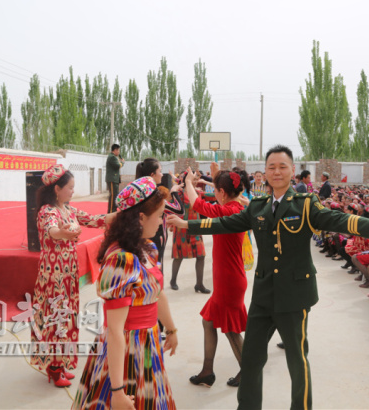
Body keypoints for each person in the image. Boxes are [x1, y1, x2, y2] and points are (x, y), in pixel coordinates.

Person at [167, 145, 369, 409]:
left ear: (292, 171)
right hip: (263, 295)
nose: (277, 171)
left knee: (297, 360)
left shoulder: (306, 204)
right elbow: (226, 223)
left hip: (294, 296)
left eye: (282, 166)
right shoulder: (258, 206)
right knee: (251, 358)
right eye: (271, 167)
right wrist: (188, 225)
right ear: (264, 172)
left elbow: (335, 219)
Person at [73, 177, 178, 409]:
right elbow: (115, 330)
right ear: (141, 217)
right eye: (160, 215)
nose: (162, 222)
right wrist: (118, 391)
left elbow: (157, 293)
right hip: (128, 350)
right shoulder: (122, 260)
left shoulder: (147, 248)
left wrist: (170, 328)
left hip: (148, 343)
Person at [31, 164, 110, 387]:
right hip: (53, 275)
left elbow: (93, 220)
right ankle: (55, 369)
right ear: (57, 189)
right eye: (70, 187)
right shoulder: (48, 211)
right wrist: (61, 233)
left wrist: (119, 216)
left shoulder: (68, 209)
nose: (73, 191)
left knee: (66, 316)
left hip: (68, 273)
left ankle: (60, 363)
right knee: (56, 317)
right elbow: (52, 230)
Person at [170, 167, 248, 388]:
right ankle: (207, 370)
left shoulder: (229, 211)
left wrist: (187, 182)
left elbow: (198, 205)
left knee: (231, 330)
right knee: (209, 321)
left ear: (222, 192)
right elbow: (209, 200)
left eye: (217, 190)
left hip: (229, 280)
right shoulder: (234, 205)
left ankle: (248, 372)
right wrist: (206, 182)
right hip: (228, 278)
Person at [135, 158, 184, 265]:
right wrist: (174, 192)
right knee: (156, 267)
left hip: (141, 235)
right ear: (152, 175)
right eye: (160, 171)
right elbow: (180, 210)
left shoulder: (137, 193)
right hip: (156, 236)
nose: (162, 174)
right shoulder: (155, 196)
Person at [169, 170, 210, 293]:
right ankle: (173, 280)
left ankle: (199, 284)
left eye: (197, 178)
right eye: (194, 178)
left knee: (201, 256)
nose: (196, 180)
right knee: (178, 256)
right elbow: (172, 208)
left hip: (195, 228)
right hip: (181, 230)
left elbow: (213, 197)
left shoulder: (198, 192)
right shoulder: (178, 193)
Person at [105, 143, 124, 213]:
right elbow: (118, 165)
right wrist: (122, 162)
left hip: (114, 179)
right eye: (118, 150)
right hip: (112, 179)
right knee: (113, 196)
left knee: (115, 195)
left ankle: (113, 210)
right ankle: (111, 211)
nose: (119, 152)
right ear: (115, 150)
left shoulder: (113, 157)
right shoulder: (112, 157)